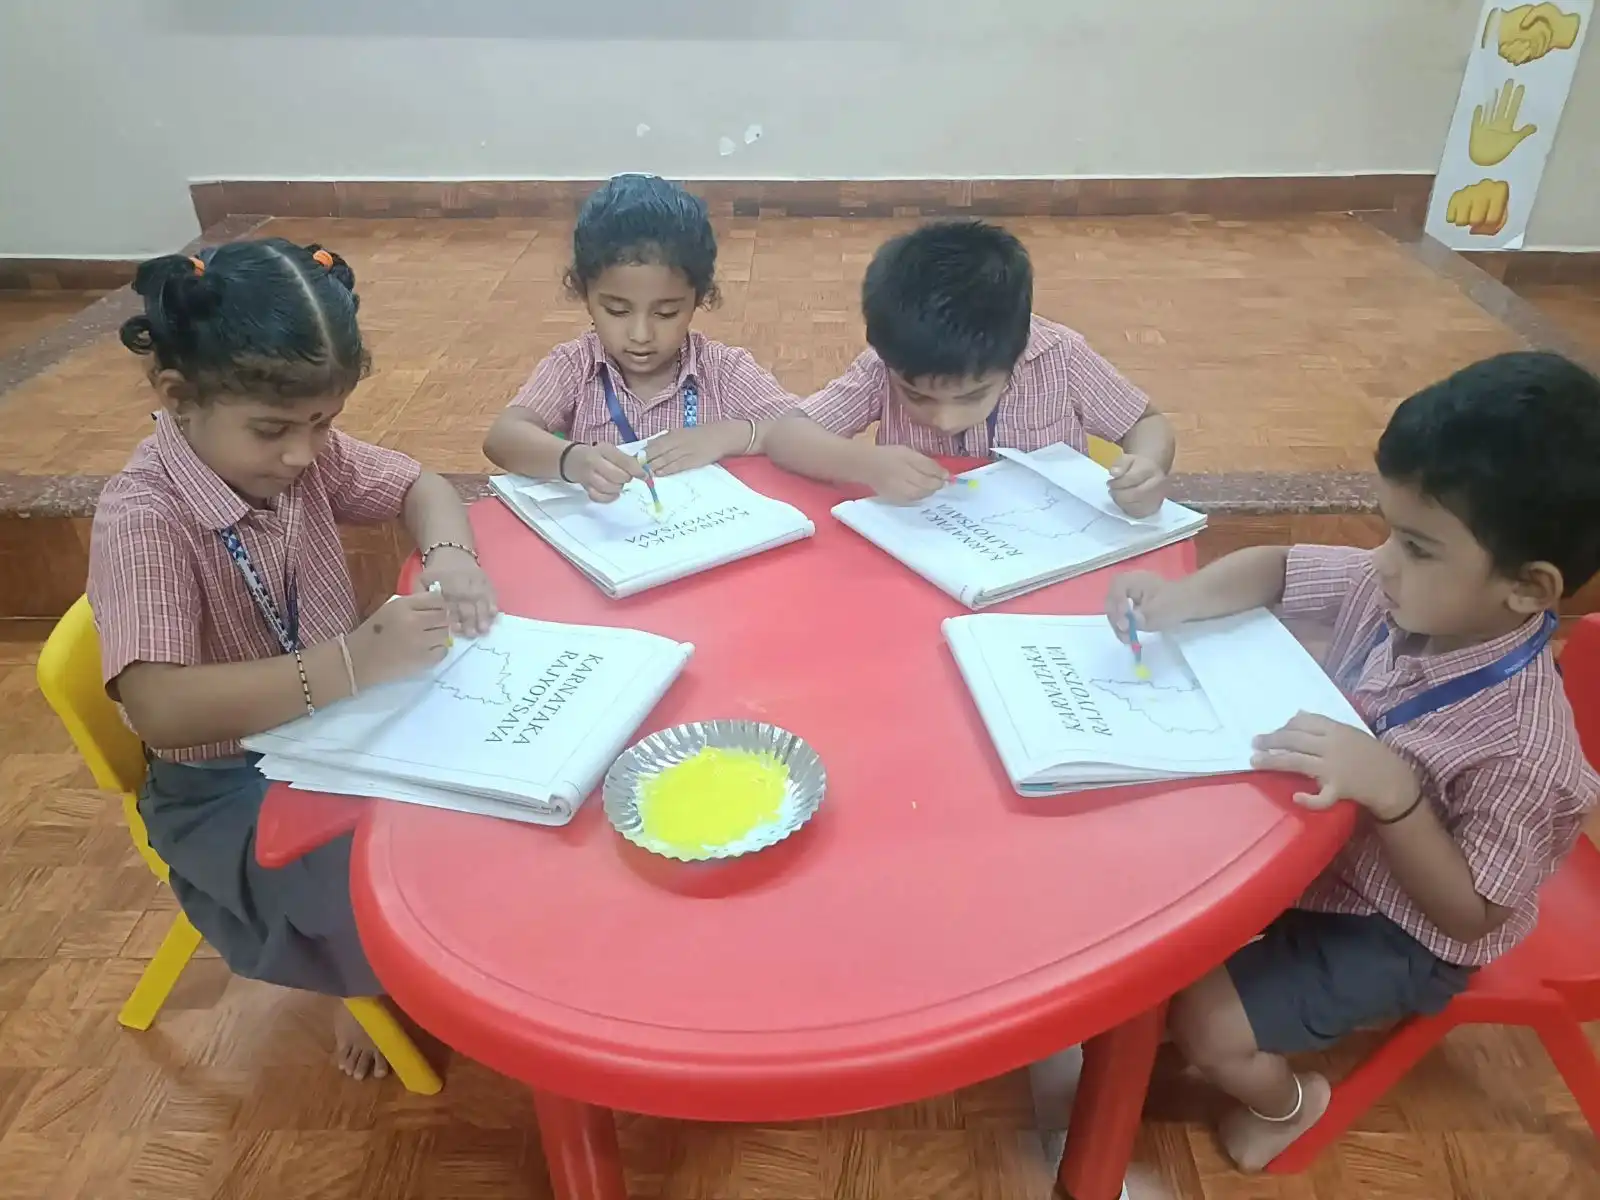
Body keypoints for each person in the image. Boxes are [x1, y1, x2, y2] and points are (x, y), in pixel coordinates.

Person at [1104, 350, 1600, 1171]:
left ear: (1527, 588)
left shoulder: (1524, 750)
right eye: (1388, 530)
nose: (1384, 561)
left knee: (1207, 1026)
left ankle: (1289, 1106)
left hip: (1398, 930)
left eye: (1419, 546)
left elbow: (1469, 914)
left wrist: (1397, 797)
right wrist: (1177, 602)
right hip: (1326, 854)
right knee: (1157, 913)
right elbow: (1275, 570)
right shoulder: (1400, 590)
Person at [88, 239, 498, 1081]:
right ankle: (361, 984)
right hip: (226, 789)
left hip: (336, 731)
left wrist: (452, 555)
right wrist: (349, 665)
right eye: (274, 429)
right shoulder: (144, 518)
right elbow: (157, 707)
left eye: (324, 424)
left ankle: (417, 962)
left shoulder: (294, 458)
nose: (304, 455)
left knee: (480, 817)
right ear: (178, 398)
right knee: (393, 881)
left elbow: (421, 486)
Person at [762, 219, 1176, 512]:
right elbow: (785, 436)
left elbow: (1147, 423)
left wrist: (1146, 469)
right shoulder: (884, 366)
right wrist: (863, 463)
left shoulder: (1061, 357)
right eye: (916, 396)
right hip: (928, 546)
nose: (944, 420)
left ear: (1016, 354)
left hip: (1044, 546)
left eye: (972, 396)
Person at [482, 174, 798, 500]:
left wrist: (734, 435)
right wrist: (573, 460)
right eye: (617, 311)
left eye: (666, 313)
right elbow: (502, 438)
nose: (641, 335)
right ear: (585, 295)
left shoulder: (723, 371)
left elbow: (810, 432)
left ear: (698, 299)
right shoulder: (575, 366)